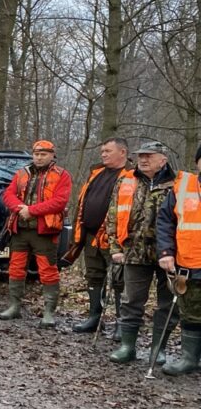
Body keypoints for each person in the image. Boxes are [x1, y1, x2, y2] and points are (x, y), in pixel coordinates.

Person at [105, 142, 176, 364]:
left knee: (167, 303)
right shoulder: (126, 180)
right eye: (141, 156)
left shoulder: (178, 184)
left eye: (149, 156)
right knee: (131, 300)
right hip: (134, 251)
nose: (143, 160)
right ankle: (127, 346)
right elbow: (112, 216)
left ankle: (158, 349)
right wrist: (115, 247)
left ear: (163, 159)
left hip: (170, 254)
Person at [0, 140, 72, 325]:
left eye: (43, 154)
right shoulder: (21, 173)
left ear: (52, 155)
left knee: (48, 271)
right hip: (20, 230)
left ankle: (49, 313)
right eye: (36, 154)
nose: (39, 157)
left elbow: (59, 201)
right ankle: (14, 307)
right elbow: (8, 194)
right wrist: (20, 208)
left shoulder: (62, 175)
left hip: (45, 232)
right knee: (15, 268)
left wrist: (31, 210)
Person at [69, 138, 134, 335]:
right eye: (102, 151)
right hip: (90, 235)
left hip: (115, 238)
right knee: (93, 276)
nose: (103, 154)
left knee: (119, 280)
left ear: (122, 152)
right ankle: (94, 317)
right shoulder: (96, 172)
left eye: (108, 151)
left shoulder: (132, 175)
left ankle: (122, 324)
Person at [157, 143, 201, 375]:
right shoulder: (182, 187)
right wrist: (165, 252)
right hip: (189, 263)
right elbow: (164, 222)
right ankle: (189, 359)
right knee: (191, 313)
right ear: (197, 162)